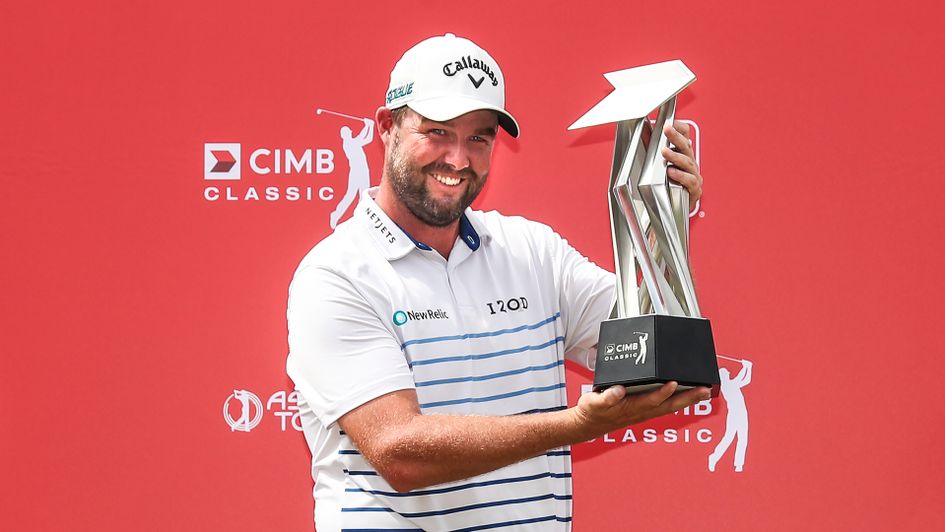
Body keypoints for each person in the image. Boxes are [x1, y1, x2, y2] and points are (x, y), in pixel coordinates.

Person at [287, 33, 708, 531]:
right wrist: (576, 425)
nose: (458, 159)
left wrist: (660, 217)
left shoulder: (533, 251)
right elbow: (399, 451)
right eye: (438, 131)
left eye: (479, 138)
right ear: (387, 126)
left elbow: (651, 348)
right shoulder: (335, 273)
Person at [330, 118, 374, 229]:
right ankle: (336, 215)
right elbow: (365, 138)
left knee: (363, 196)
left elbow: (367, 138)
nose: (350, 132)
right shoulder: (349, 143)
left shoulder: (352, 141)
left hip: (363, 170)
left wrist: (370, 126)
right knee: (351, 196)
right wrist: (368, 125)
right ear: (344, 135)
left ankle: (361, 221)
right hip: (357, 171)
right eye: (348, 131)